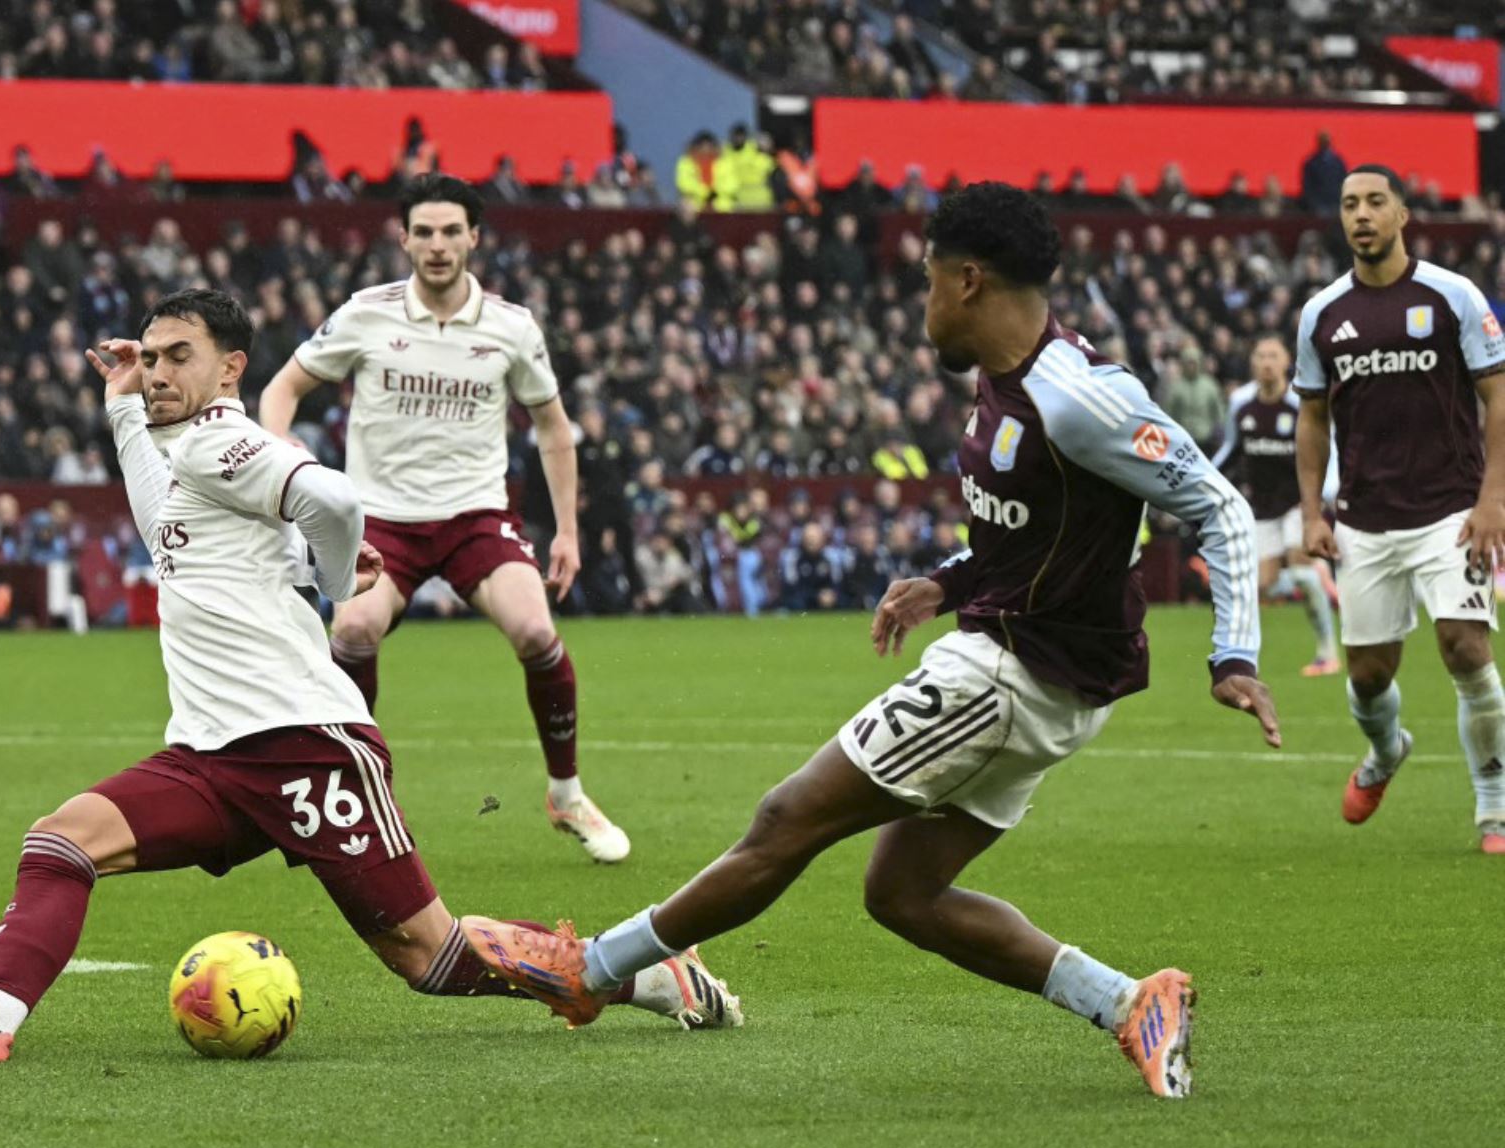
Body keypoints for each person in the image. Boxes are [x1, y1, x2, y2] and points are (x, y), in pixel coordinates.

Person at [458, 183, 1279, 1100]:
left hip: (1008, 677)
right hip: (1037, 674)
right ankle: (1131, 1001)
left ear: (968, 281)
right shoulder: (1008, 382)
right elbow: (1044, 531)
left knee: (784, 821)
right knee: (903, 896)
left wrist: (1234, 654)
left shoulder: (1078, 395)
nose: (921, 302)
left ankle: (596, 969)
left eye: (928, 280)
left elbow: (1220, 505)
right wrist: (949, 579)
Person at [0, 290, 738, 1064]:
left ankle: (643, 969)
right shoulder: (188, 450)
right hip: (213, 754)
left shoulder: (220, 440)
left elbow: (336, 500)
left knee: (429, 957)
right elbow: (163, 532)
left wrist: (333, 576)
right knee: (61, 841)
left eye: (176, 358)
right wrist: (121, 406)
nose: (156, 371)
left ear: (231, 369)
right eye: (148, 357)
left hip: (307, 746)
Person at [257, 174, 630, 864]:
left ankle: (567, 793)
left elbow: (554, 428)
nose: (437, 245)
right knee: (356, 630)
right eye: (423, 231)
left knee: (535, 629)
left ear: (473, 239)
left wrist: (568, 530)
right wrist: (281, 448)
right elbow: (282, 387)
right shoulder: (366, 314)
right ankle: (357, 793)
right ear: (403, 239)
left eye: (450, 231)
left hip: (475, 515)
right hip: (383, 521)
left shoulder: (511, 327)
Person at [1293, 164, 1505, 852]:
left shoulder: (1454, 295)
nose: (1361, 214)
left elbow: (1498, 397)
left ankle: (1495, 805)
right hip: (1363, 517)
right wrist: (1312, 513)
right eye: (1351, 203)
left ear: (1402, 214)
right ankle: (1386, 750)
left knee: (1464, 646)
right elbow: (1313, 417)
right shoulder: (1322, 313)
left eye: (1375, 202)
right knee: (1368, 674)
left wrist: (1493, 498)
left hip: (1451, 511)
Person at [1211, 334, 1340, 676]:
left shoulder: (1299, 404)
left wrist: (1328, 492)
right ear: (1253, 362)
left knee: (1299, 569)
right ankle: (1321, 577)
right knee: (1262, 585)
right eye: (1261, 355)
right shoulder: (1241, 403)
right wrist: (1204, 479)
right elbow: (1231, 450)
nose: (1267, 362)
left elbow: (1325, 445)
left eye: (1273, 355)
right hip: (1261, 507)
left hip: (1300, 502)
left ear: (1286, 362)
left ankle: (1327, 654)